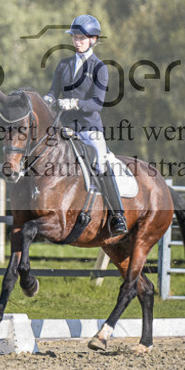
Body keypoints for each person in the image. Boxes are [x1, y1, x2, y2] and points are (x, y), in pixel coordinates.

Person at [43, 14, 128, 236]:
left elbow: (97, 104)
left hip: (89, 128)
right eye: (75, 37)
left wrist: (74, 103)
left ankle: (118, 215)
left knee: (101, 162)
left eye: (81, 37)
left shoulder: (99, 67)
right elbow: (54, 90)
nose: (77, 41)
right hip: (65, 127)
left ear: (93, 39)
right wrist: (49, 99)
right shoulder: (63, 64)